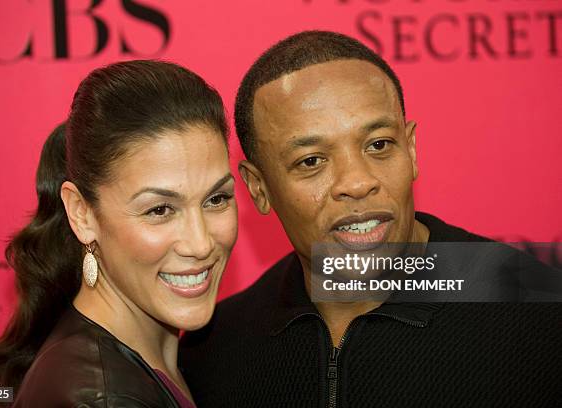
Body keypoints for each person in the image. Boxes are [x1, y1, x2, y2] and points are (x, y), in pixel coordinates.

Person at [179, 31, 562, 407]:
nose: (358, 183)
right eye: (311, 161)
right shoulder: (213, 348)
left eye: (378, 145)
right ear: (259, 188)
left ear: (411, 150)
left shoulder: (540, 314)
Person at [0, 60, 238, 407]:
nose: (201, 243)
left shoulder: (174, 356)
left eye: (216, 199)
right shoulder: (102, 398)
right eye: (159, 210)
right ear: (82, 214)